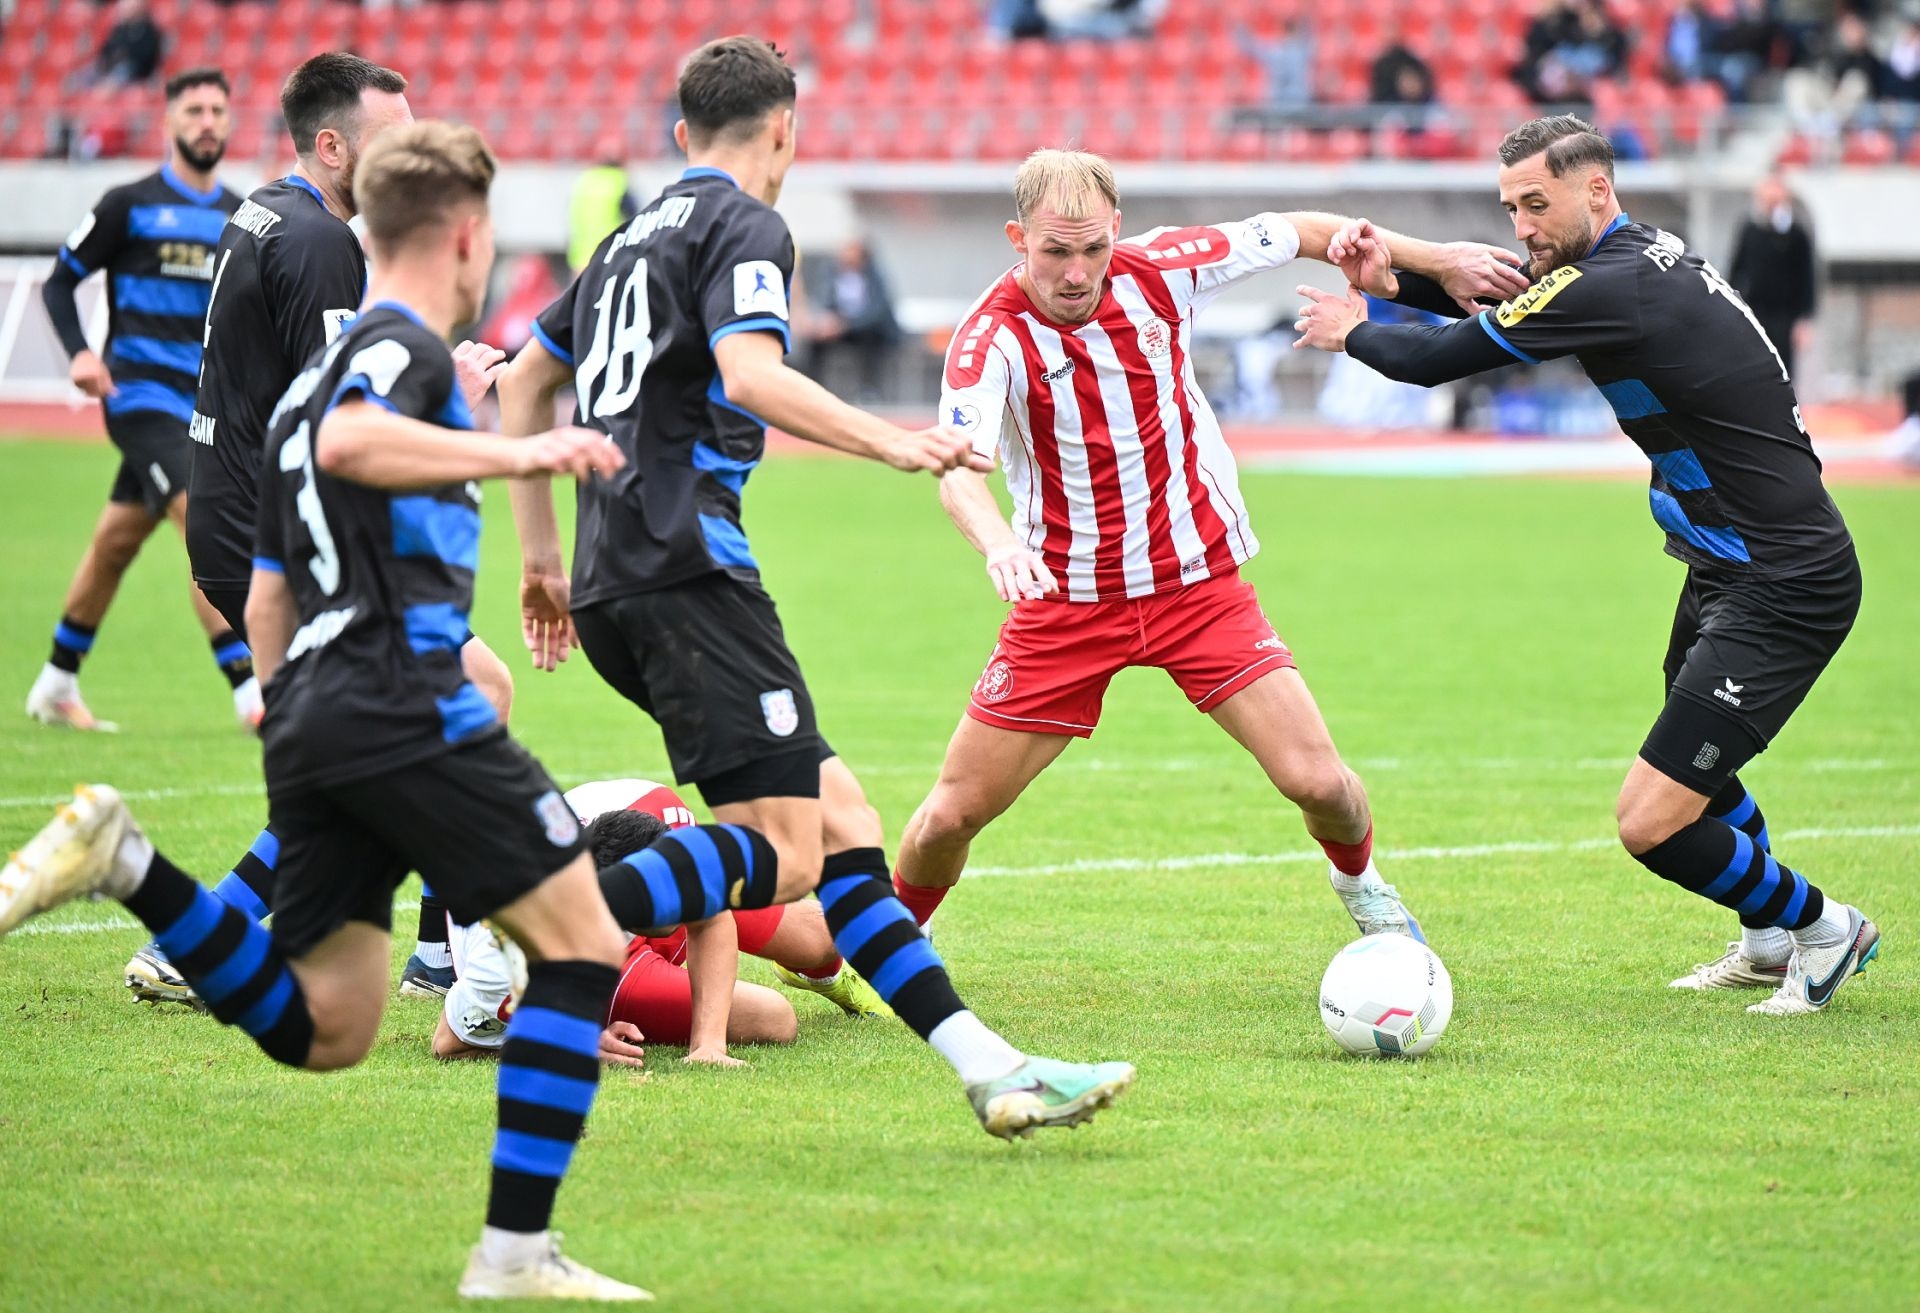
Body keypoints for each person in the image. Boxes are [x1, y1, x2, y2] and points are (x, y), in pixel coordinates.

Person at [0, 119, 687, 1300]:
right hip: (404, 699)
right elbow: (361, 436)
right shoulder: (393, 351)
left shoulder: (311, 380)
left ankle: (129, 863)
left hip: (323, 704)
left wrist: (282, 708)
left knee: (330, 1024)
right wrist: (525, 455)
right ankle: (514, 1254)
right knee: (582, 942)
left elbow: (268, 584)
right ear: (465, 235)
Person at [497, 36, 1135, 1140]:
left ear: (682, 132)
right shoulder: (746, 224)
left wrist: (542, 561)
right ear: (785, 131)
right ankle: (553, 925)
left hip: (609, 582)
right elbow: (750, 374)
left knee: (843, 825)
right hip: (691, 573)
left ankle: (993, 1069)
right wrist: (892, 442)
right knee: (789, 855)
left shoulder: (620, 242)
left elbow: (522, 383)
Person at [1291, 115, 1880, 1016]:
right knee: (1697, 756)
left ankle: (1826, 927)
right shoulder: (1627, 265)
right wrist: (1399, 280)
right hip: (1730, 563)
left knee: (1651, 820)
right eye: (1511, 208)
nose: (1522, 226)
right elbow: (1506, 309)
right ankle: (1768, 938)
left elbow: (1441, 360)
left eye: (1536, 204)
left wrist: (1357, 327)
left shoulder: (1614, 285)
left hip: (1783, 579)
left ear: (1596, 189)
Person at [889, 149, 1524, 950]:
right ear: (1019, 239)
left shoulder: (1165, 266)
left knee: (1321, 783)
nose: (1077, 272)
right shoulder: (990, 338)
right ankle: (887, 946)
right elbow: (957, 471)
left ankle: (1364, 885)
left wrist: (1437, 260)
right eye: (1055, 251)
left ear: (1117, 230)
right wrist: (997, 543)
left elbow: (1304, 229)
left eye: (1093, 248)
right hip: (1067, 602)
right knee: (950, 815)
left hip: (1197, 586)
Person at [123, 51, 510, 1009]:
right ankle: (206, 940)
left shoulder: (263, 210)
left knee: (406, 725)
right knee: (457, 703)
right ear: (331, 146)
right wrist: (454, 397)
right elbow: (345, 426)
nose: (409, 154)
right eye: (392, 138)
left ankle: (428, 951)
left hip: (239, 524)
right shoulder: (321, 243)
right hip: (287, 538)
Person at [29, 68, 257, 734]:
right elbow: (58, 282)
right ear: (169, 121)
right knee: (204, 518)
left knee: (116, 542)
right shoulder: (128, 204)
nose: (207, 122)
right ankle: (252, 691)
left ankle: (56, 681)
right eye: (194, 110)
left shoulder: (241, 217)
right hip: (139, 397)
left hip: (204, 406)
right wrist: (80, 353)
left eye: (217, 110)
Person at [434, 785, 889, 1067]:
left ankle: (823, 973)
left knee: (821, 939)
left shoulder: (641, 844)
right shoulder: (511, 951)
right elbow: (448, 1043)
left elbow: (710, 917)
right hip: (588, 951)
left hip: (635, 812)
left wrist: (708, 1045)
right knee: (771, 1018)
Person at [1726, 175, 1816, 382]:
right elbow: (1736, 270)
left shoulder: (1796, 235)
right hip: (1755, 310)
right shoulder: (1749, 230)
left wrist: (1805, 320)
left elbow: (1806, 278)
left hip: (1785, 315)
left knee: (1783, 372)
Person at [803, 237, 902, 403]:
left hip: (866, 329)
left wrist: (846, 324)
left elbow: (876, 311)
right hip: (840, 329)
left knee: (871, 339)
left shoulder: (874, 277)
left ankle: (869, 390)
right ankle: (814, 388)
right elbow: (823, 300)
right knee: (816, 341)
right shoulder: (831, 273)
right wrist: (826, 323)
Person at [566, 141, 637, 274]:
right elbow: (636, 219)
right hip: (609, 259)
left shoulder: (584, 181)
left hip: (580, 260)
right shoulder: (619, 181)